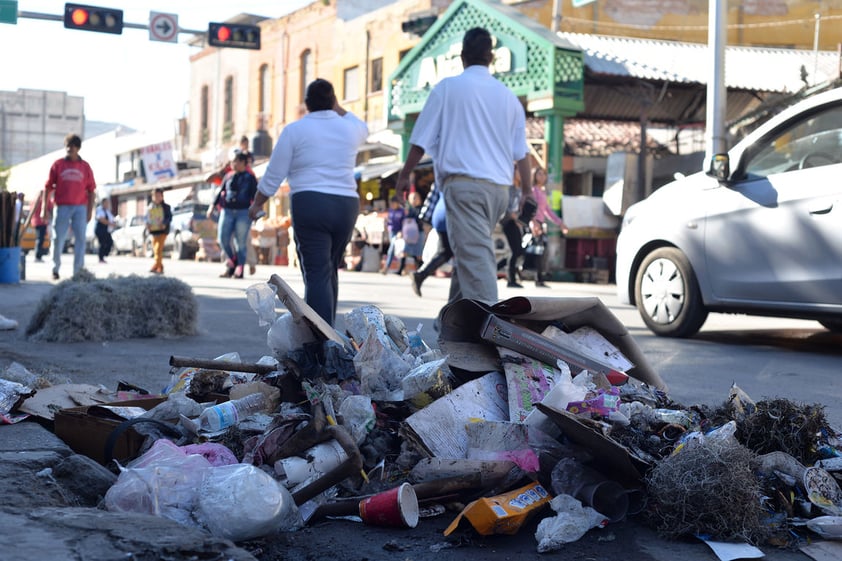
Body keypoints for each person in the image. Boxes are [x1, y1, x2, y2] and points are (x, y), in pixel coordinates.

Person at [395, 27, 532, 308]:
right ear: (491, 58)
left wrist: (404, 175)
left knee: (476, 261)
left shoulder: (447, 88)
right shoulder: (509, 98)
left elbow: (420, 141)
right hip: (499, 192)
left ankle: (492, 329)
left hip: (465, 187)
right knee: (469, 254)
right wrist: (528, 191)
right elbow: (522, 154)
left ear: (462, 57)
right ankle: (451, 327)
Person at [249, 78, 368, 327]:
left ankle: (320, 343)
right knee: (329, 268)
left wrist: (257, 203)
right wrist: (337, 106)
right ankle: (329, 336)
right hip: (346, 206)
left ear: (307, 104)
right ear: (334, 101)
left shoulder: (295, 130)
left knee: (316, 273)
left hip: (311, 203)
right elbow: (359, 123)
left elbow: (274, 173)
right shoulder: (351, 129)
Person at [45, 133, 96, 280]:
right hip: (62, 207)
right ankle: (55, 269)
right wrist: (44, 209)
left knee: (80, 239)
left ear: (78, 148)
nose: (69, 149)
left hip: (80, 207)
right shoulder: (58, 165)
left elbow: (91, 190)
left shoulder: (85, 167)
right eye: (67, 145)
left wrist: (89, 210)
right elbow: (48, 187)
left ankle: (78, 271)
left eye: (72, 146)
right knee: (58, 238)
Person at [210, 151, 258, 279]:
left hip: (243, 212)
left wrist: (257, 210)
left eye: (235, 161)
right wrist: (212, 206)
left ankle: (239, 269)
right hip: (227, 210)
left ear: (243, 163)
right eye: (232, 161)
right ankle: (233, 260)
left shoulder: (250, 177)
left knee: (240, 242)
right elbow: (221, 192)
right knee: (222, 238)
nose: (233, 164)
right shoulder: (228, 176)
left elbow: (256, 196)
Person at [528, 166, 568, 287]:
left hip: (541, 224)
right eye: (539, 174)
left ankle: (539, 278)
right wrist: (533, 223)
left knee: (542, 251)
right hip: (534, 224)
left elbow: (547, 211)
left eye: (543, 174)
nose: (542, 176)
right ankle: (530, 277)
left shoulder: (542, 191)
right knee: (534, 251)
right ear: (534, 176)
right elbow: (530, 208)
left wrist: (560, 223)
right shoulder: (533, 190)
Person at [411, 192, 451, 297]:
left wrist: (426, 220)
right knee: (452, 252)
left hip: (440, 215)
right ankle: (421, 274)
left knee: (447, 251)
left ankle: (421, 274)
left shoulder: (443, 176)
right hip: (450, 216)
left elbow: (431, 197)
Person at [397, 191, 425, 276]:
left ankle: (420, 271)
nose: (414, 200)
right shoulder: (408, 210)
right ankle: (401, 269)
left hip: (419, 232)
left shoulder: (423, 209)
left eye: (415, 197)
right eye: (412, 198)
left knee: (419, 253)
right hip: (409, 234)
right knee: (405, 251)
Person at [146, 187, 172, 274]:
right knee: (155, 249)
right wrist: (148, 225)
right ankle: (159, 265)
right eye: (155, 196)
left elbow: (169, 217)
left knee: (158, 249)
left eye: (158, 196)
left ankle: (157, 265)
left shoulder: (166, 207)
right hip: (154, 231)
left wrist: (164, 223)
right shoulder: (150, 207)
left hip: (162, 231)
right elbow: (147, 218)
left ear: (162, 196)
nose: (156, 198)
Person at [381, 195, 406, 275]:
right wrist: (386, 226)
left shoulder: (402, 211)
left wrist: (402, 231)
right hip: (391, 232)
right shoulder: (390, 210)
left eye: (393, 203)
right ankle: (401, 268)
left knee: (393, 249)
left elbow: (404, 222)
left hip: (399, 232)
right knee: (396, 250)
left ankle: (387, 267)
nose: (392, 205)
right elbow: (388, 221)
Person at [31, 190, 53, 262]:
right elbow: (51, 207)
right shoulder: (44, 200)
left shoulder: (34, 200)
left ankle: (38, 255)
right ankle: (38, 256)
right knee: (40, 239)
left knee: (39, 239)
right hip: (41, 222)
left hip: (36, 222)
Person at [93, 198, 115, 263]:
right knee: (102, 243)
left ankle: (105, 254)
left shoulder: (107, 211)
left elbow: (111, 218)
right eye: (106, 203)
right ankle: (101, 258)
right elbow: (101, 219)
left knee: (110, 242)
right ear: (103, 203)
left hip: (106, 230)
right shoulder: (100, 209)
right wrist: (110, 223)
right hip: (100, 229)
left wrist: (114, 223)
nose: (107, 204)